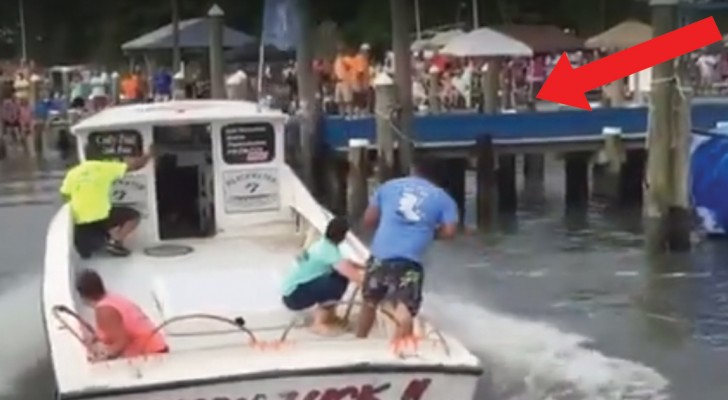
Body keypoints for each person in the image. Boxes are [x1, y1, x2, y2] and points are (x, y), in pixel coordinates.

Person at [355, 157, 459, 350]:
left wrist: (390, 226)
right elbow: (450, 232)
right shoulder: (443, 198)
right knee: (404, 308)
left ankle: (359, 341)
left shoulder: (388, 186)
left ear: (413, 169)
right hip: (409, 261)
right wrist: (428, 232)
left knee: (369, 301)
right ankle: (398, 347)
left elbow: (368, 221)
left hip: (380, 256)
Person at [60, 142, 153, 258]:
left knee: (85, 254)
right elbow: (135, 165)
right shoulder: (104, 167)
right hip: (102, 217)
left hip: (80, 222)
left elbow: (64, 195)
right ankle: (115, 241)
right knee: (134, 216)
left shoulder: (73, 173)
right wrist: (150, 154)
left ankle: (103, 243)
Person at [281, 217, 364, 336]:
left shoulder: (322, 244)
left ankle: (330, 317)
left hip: (292, 291)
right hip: (294, 295)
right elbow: (350, 273)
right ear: (343, 236)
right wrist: (369, 282)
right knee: (334, 285)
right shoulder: (328, 251)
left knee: (338, 278)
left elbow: (345, 263)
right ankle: (319, 323)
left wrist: (364, 266)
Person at [75, 269, 168, 360]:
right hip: (157, 347)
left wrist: (102, 355)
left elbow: (121, 343)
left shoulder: (105, 310)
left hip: (152, 355)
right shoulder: (112, 298)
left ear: (82, 294)